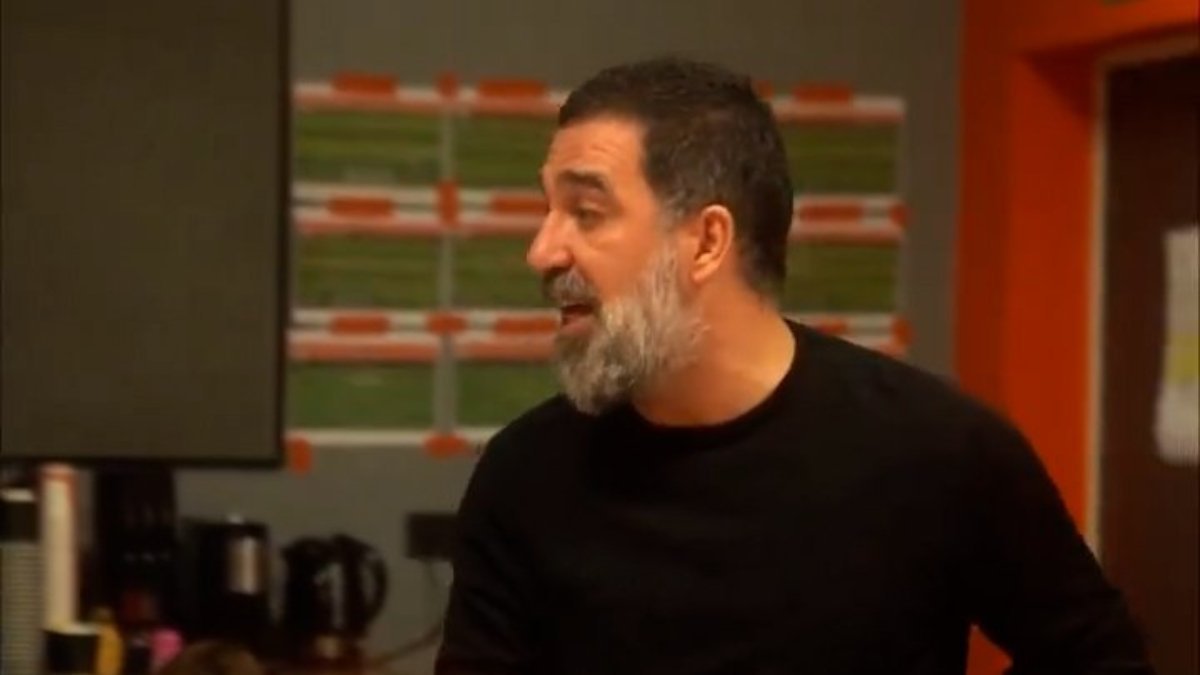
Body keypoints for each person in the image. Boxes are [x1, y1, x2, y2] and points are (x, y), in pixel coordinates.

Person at [436, 57, 1152, 675]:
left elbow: (1099, 659)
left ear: (706, 242)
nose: (542, 251)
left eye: (586, 212)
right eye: (547, 210)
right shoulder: (525, 475)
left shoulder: (938, 451)